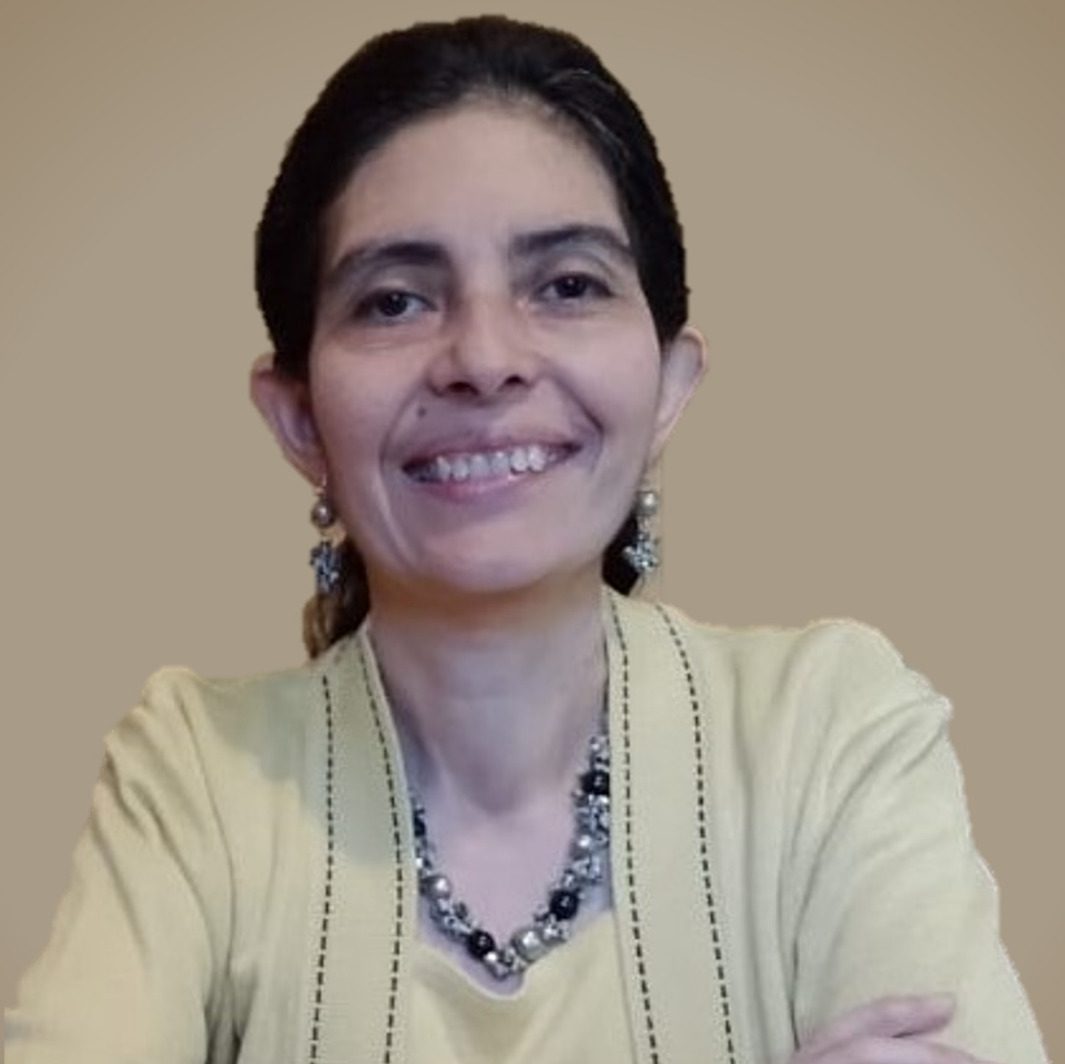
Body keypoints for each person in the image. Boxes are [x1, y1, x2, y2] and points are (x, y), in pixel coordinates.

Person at [4, 15, 1048, 1064]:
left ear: (668, 384)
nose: (485, 357)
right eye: (394, 300)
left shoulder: (828, 734)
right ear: (300, 419)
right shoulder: (197, 774)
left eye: (568, 285)